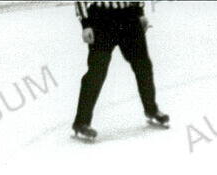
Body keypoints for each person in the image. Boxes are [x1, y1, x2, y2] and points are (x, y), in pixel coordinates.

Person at [72, 1, 169, 141]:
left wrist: (140, 13)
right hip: (101, 20)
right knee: (96, 72)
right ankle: (81, 123)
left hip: (129, 17)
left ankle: (152, 110)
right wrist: (86, 24)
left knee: (143, 65)